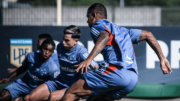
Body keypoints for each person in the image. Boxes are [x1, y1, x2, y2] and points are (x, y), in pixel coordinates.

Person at [60, 3, 172, 101]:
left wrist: (89, 59)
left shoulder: (97, 25)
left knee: (71, 92)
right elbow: (148, 35)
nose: (87, 21)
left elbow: (105, 36)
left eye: (88, 17)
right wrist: (162, 58)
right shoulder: (124, 31)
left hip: (115, 72)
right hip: (132, 79)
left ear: (93, 15)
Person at [24, 25, 99, 101]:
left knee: (53, 97)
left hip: (72, 87)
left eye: (67, 40)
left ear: (76, 41)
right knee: (28, 98)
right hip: (59, 81)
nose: (63, 42)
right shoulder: (60, 47)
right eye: (63, 39)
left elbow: (96, 67)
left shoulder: (81, 52)